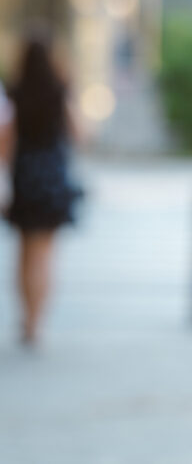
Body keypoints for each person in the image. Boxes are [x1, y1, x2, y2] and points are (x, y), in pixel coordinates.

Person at [5, 34, 81, 348]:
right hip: (51, 178)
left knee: (24, 254)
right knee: (45, 256)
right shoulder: (60, 92)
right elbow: (81, 134)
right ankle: (37, 322)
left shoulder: (14, 93)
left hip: (23, 177)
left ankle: (26, 317)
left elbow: (4, 141)